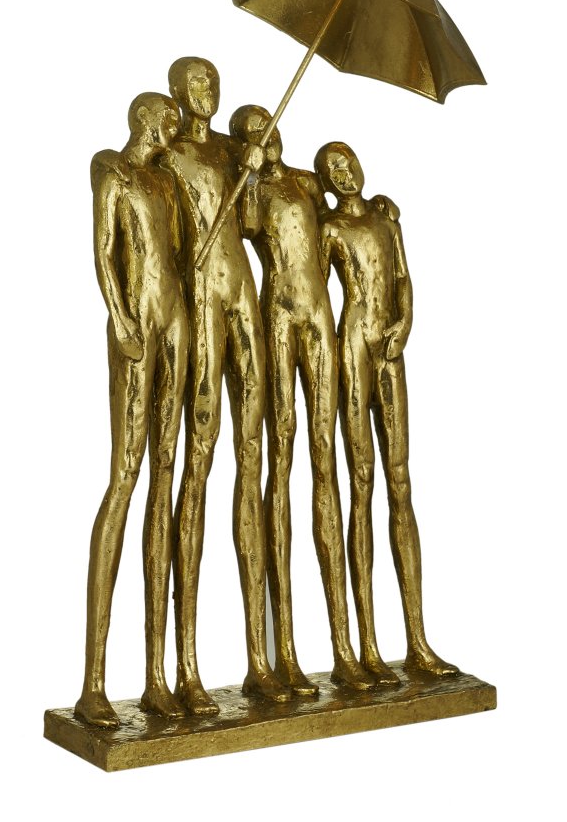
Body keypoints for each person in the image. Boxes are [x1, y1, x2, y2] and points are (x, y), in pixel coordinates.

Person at [161, 58, 287, 713]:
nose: (206, 92)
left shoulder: (236, 154)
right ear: (177, 93)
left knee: (253, 454)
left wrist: (257, 173)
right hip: (201, 297)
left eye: (212, 82)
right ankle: (186, 665)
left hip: (244, 292)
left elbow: (259, 228)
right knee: (199, 460)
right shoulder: (169, 154)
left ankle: (261, 660)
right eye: (195, 83)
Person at [235, 106, 375, 693]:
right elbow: (245, 225)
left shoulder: (308, 184)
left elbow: (341, 219)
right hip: (278, 313)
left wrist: (380, 208)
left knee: (327, 457)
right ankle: (283, 651)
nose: (266, 134)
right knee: (282, 455)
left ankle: (345, 647)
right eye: (252, 131)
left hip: (319, 313)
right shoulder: (252, 189)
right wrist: (247, 173)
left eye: (268, 125)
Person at [316, 141, 458, 678]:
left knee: (401, 481)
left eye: (348, 162)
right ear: (325, 182)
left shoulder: (384, 217)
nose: (345, 174)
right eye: (333, 170)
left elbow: (401, 276)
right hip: (352, 343)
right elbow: (312, 288)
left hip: (389, 344)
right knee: (361, 482)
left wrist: (405, 322)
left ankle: (417, 639)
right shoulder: (330, 228)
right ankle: (366, 646)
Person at [74, 93, 190, 728]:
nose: (177, 124)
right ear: (147, 120)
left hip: (176, 320)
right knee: (125, 476)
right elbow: (104, 252)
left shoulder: (168, 182)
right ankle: (93, 682)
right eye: (169, 116)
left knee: (166, 477)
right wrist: (120, 319)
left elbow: (179, 255)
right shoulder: (112, 170)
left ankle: (156, 676)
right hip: (137, 325)